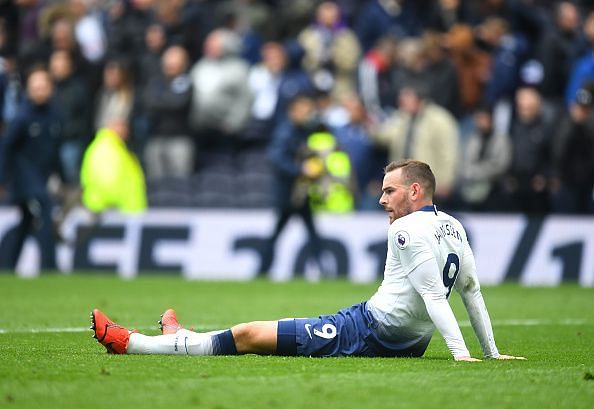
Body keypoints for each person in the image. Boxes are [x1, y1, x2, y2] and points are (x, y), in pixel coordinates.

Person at [91, 159, 525, 362]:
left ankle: (133, 344)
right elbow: (471, 290)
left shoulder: (404, 229)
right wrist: (491, 352)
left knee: (246, 334)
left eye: (389, 191)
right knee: (249, 333)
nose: (381, 200)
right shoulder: (453, 225)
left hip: (367, 331)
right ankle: (180, 335)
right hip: (406, 342)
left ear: (414, 191)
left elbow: (435, 296)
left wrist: (461, 356)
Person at [0, 66, 62, 271]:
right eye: (35, 87)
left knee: (26, 221)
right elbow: (6, 148)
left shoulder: (54, 117)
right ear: (28, 90)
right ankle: (50, 267)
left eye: (43, 86)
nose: (39, 91)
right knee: (44, 211)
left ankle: (6, 266)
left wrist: (63, 177)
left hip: (41, 177)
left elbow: (55, 152)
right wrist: (2, 179)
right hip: (24, 179)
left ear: (50, 88)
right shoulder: (22, 118)